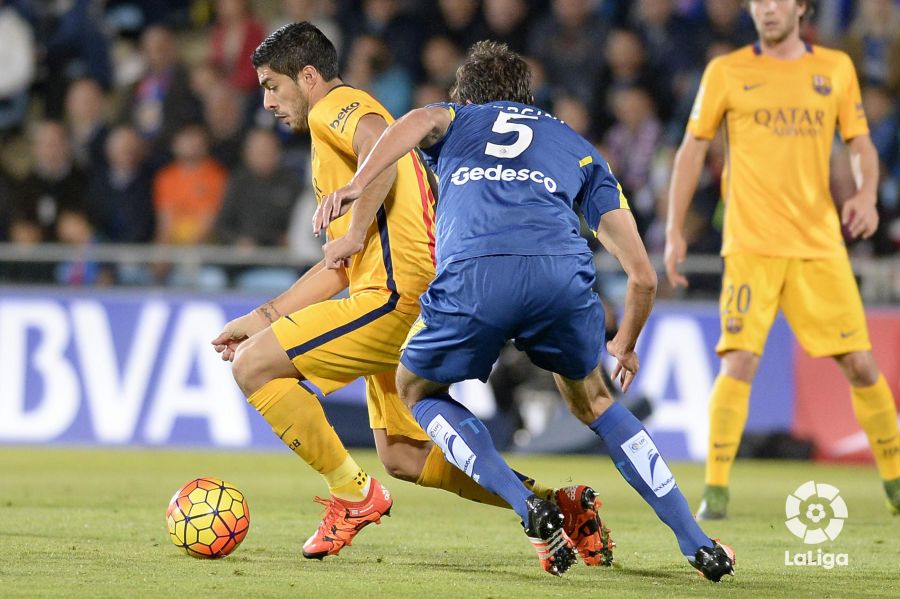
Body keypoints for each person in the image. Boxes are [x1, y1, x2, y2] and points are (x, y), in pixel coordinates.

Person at [318, 40, 733, 581]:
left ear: (466, 97)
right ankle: (698, 542)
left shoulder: (457, 118)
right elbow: (643, 276)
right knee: (595, 401)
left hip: (474, 275)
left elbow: (417, 121)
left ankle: (526, 503)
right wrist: (626, 344)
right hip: (558, 276)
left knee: (416, 390)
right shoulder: (580, 147)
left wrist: (356, 184)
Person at [211, 22, 612, 566]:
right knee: (403, 455)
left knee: (254, 367)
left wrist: (355, 229)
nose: (267, 103)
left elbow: (376, 136)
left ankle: (352, 495)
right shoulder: (331, 146)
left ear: (307, 76)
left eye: (272, 86)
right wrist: (264, 316)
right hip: (401, 293)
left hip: (393, 297)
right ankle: (554, 507)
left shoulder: (336, 107)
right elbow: (339, 268)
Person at [664, 0, 900, 520]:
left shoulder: (834, 69)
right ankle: (715, 492)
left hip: (818, 245)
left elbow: (861, 144)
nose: (767, 10)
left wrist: (865, 195)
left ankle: (895, 481)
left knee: (861, 364)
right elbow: (692, 149)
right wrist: (675, 230)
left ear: (801, 8)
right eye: (759, 2)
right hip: (751, 245)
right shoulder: (726, 71)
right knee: (739, 361)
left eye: (778, 1)